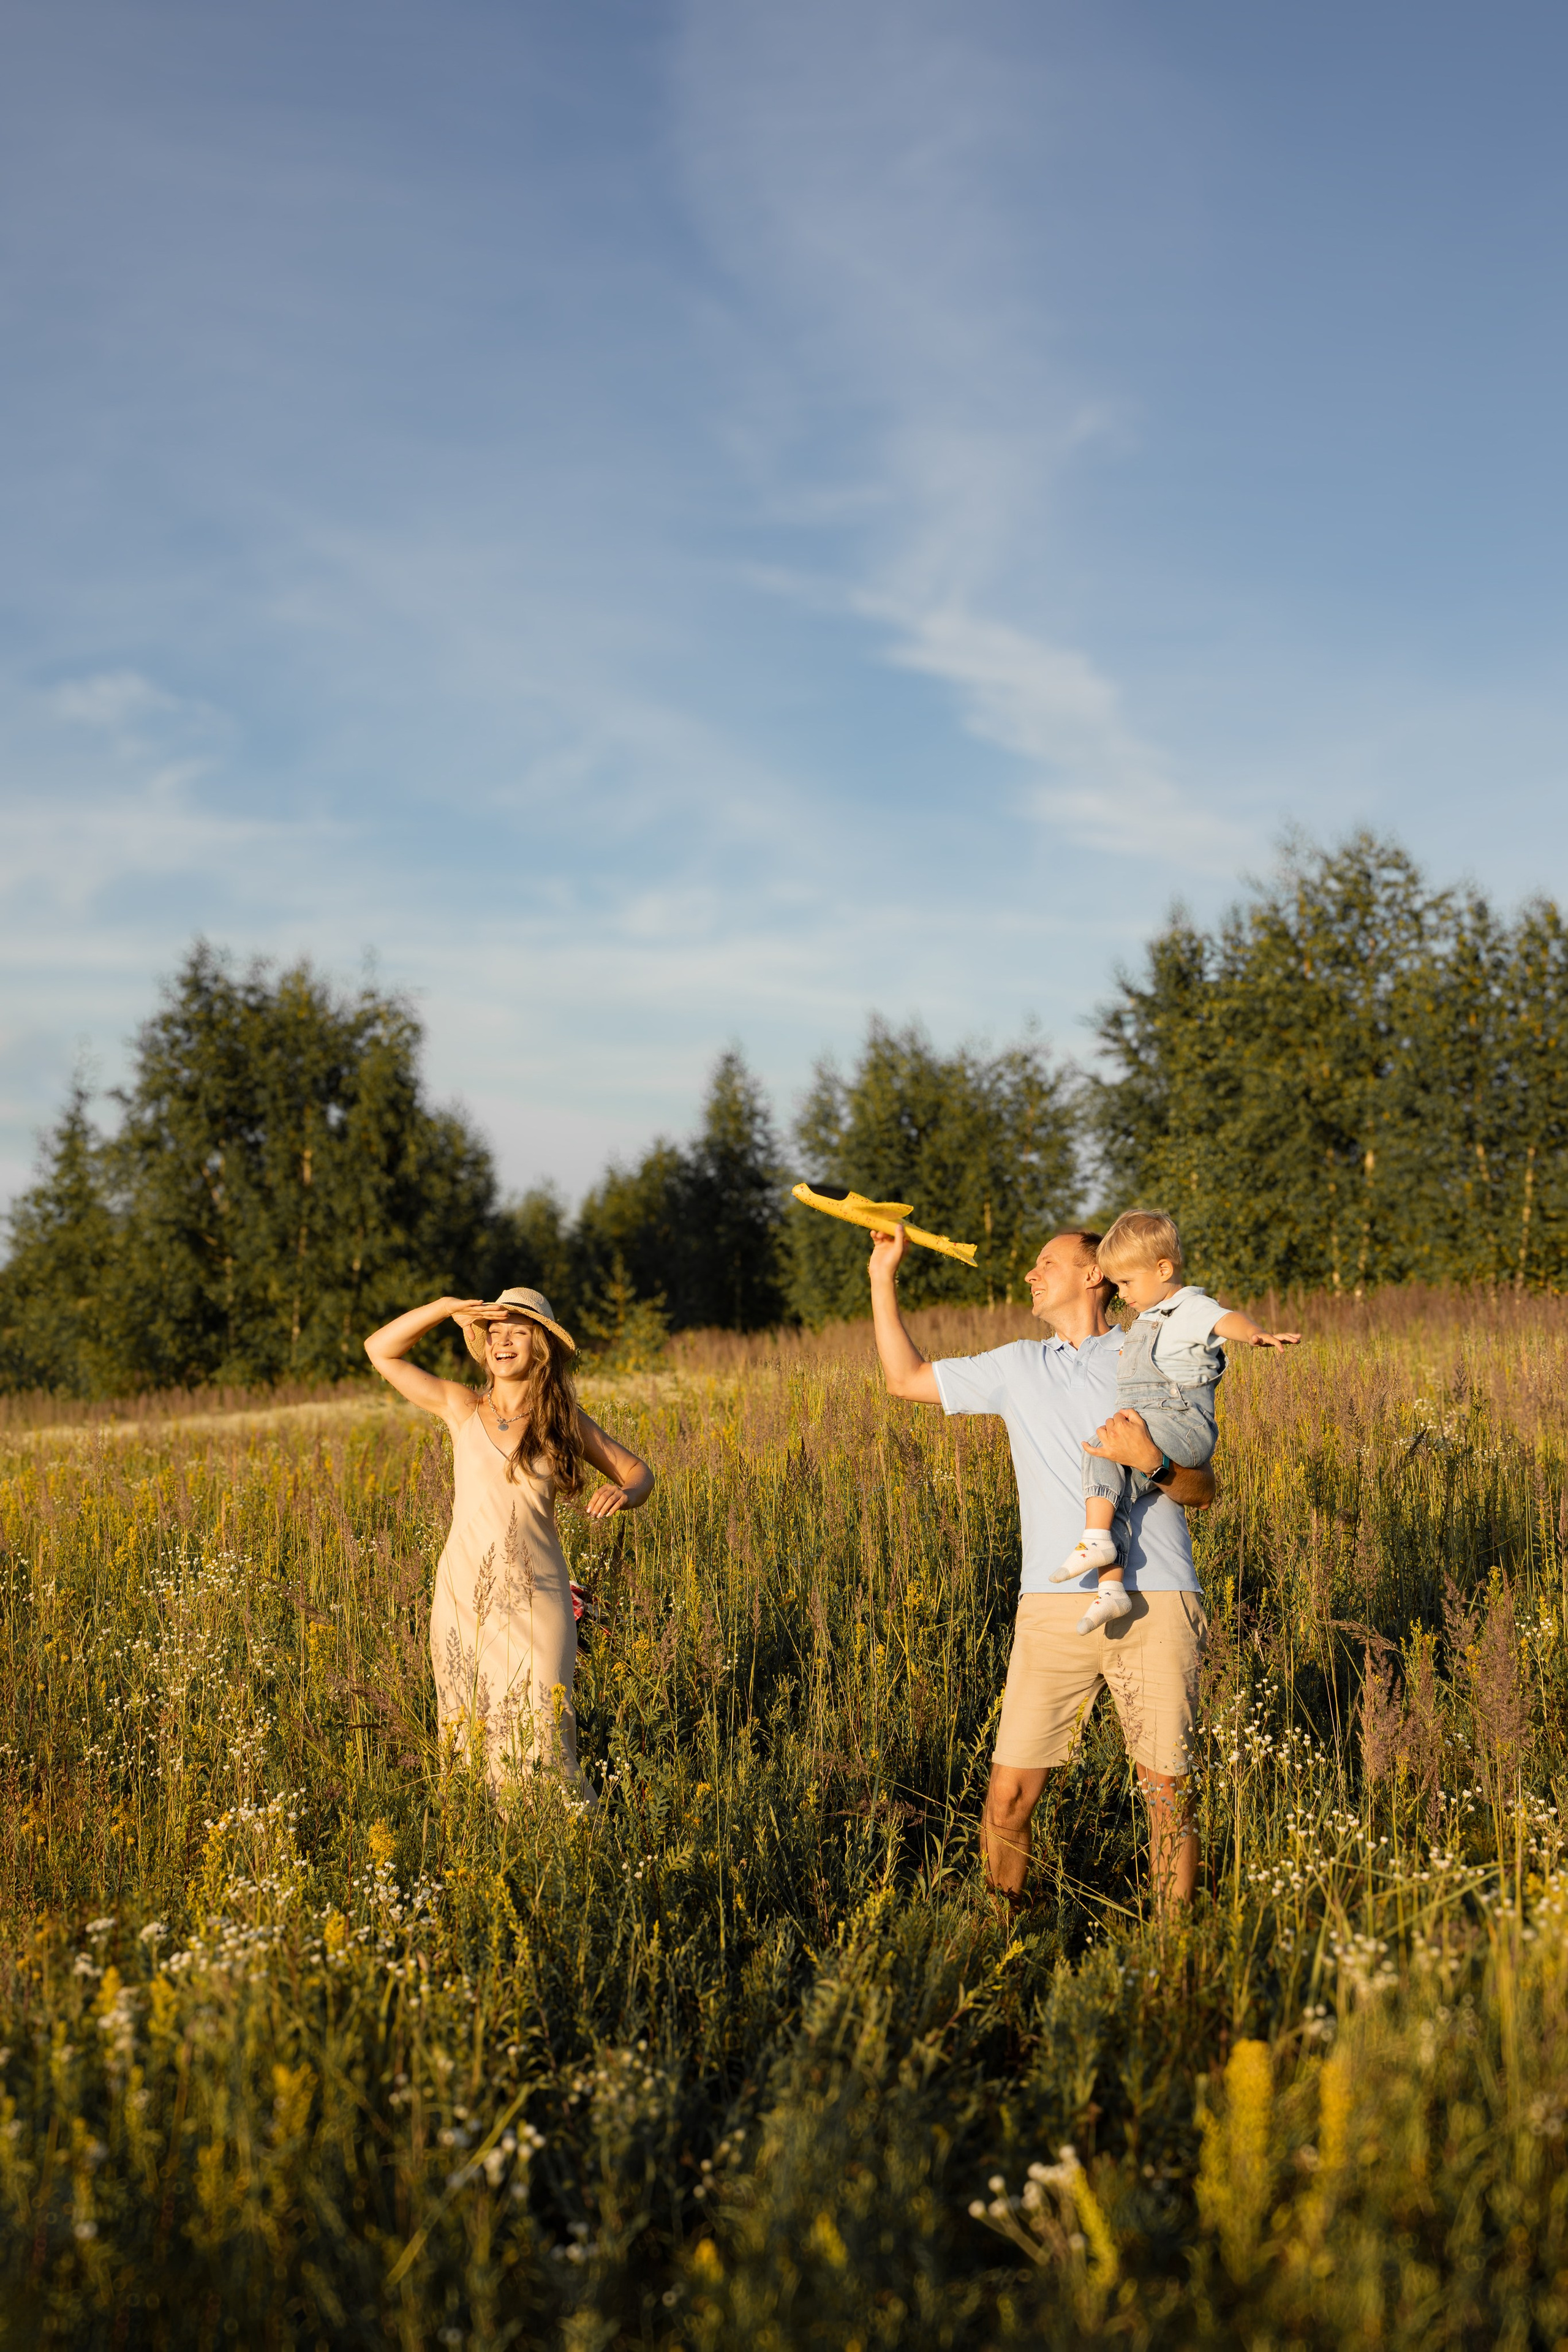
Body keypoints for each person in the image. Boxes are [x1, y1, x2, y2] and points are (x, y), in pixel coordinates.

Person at [866, 1225, 1214, 1909]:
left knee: (1165, 1795)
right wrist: (884, 1276)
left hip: (1159, 1596)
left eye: (1046, 1263)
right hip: (1053, 1605)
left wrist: (1153, 1462)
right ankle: (1000, 1945)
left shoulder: (1153, 1353)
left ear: (1094, 1276)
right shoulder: (1018, 1364)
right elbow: (903, 1380)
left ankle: (1176, 1960)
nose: (1031, 1274)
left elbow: (1202, 1489)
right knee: (1007, 1798)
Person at [364, 1286, 654, 1795]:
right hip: (462, 1597)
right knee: (474, 1731)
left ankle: (575, 1853)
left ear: (540, 1345)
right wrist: (446, 1308)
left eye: (518, 1331)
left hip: (538, 1595)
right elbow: (379, 1350)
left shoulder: (562, 1422)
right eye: (494, 1332)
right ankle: (504, 1857)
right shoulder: (461, 1407)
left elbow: (639, 1472)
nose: (503, 1341)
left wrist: (625, 1493)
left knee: (545, 1730)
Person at [1052, 1208, 1298, 1631]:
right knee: (1115, 1489)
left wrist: (1255, 1333)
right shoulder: (1149, 1317)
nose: (1121, 1292)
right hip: (1157, 1419)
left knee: (1102, 1449)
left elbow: (1225, 1319)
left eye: (1127, 1282)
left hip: (1180, 1422)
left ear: (1163, 1269)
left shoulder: (1187, 1307)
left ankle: (1093, 1542)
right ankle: (1111, 1590)